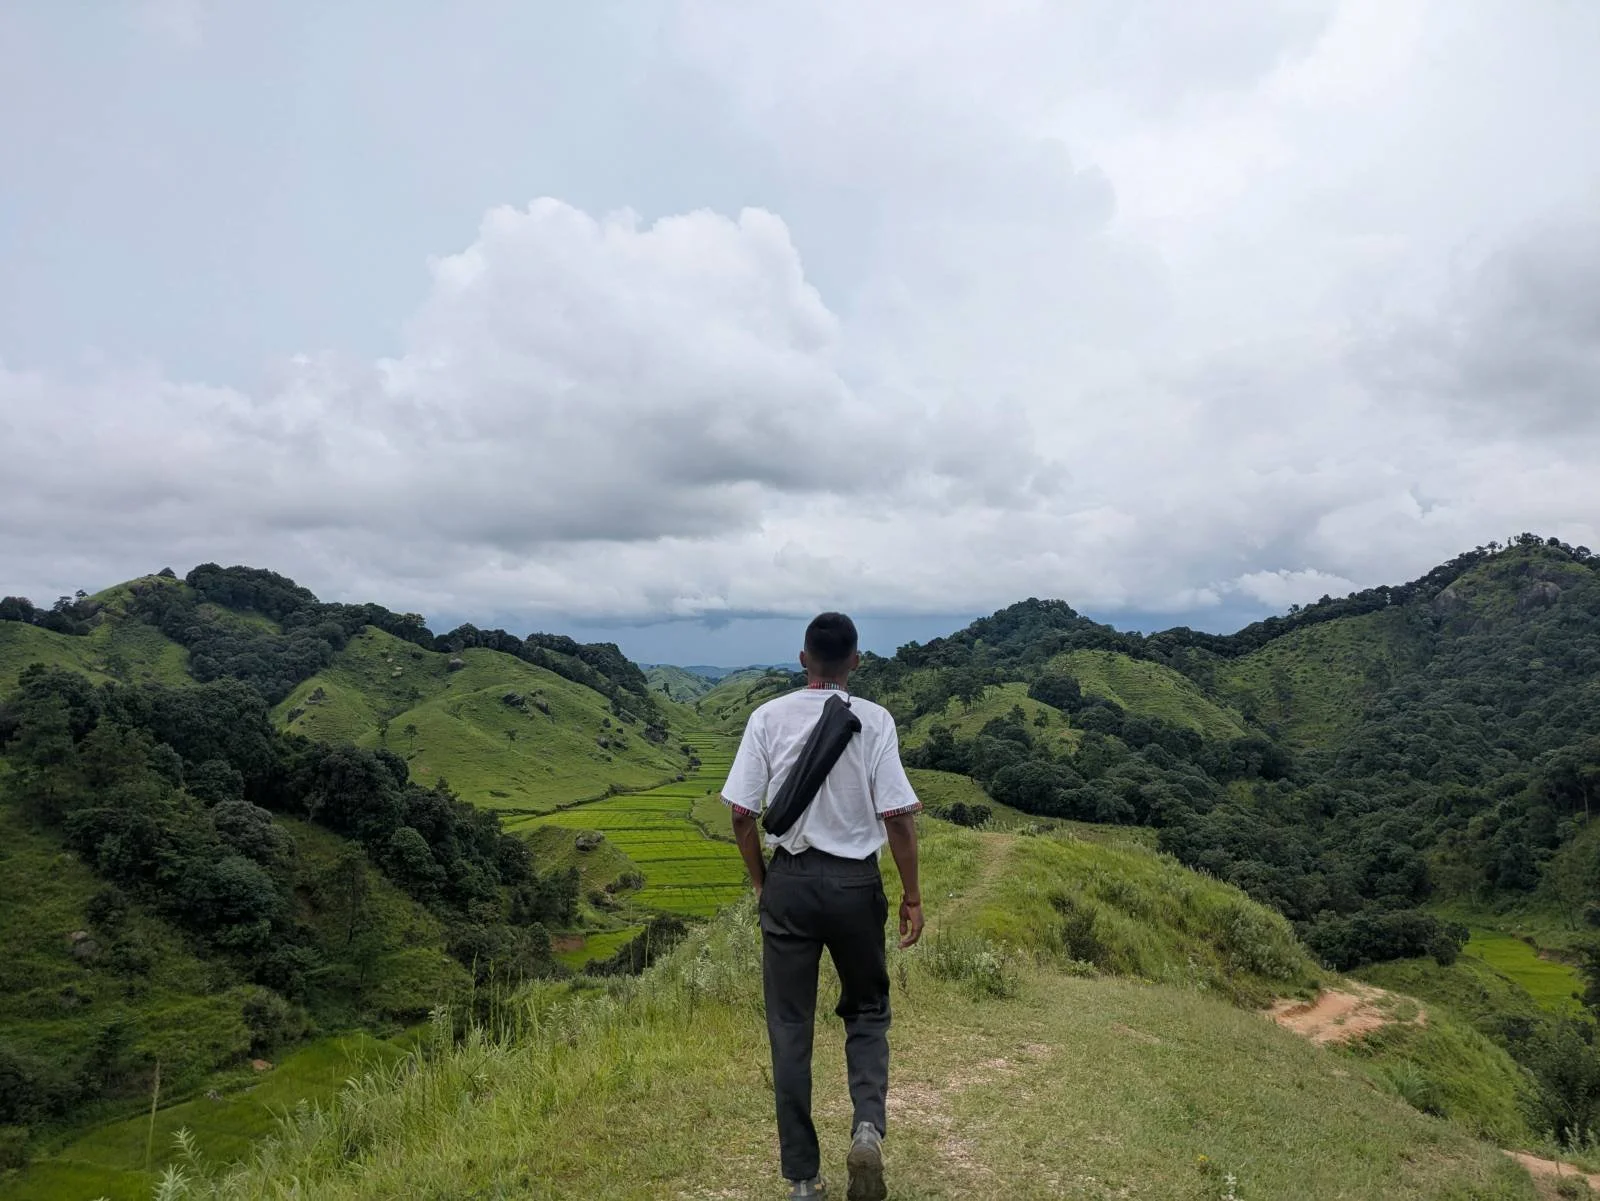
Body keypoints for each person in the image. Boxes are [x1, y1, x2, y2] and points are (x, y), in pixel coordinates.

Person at [721, 612, 924, 1201]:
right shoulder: (875, 720)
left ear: (803, 659)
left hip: (790, 883)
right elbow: (898, 819)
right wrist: (912, 896)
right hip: (856, 885)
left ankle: (804, 1180)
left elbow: (741, 815)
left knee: (789, 1027)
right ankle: (866, 1129)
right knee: (867, 1012)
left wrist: (763, 884)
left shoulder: (767, 717)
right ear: (855, 661)